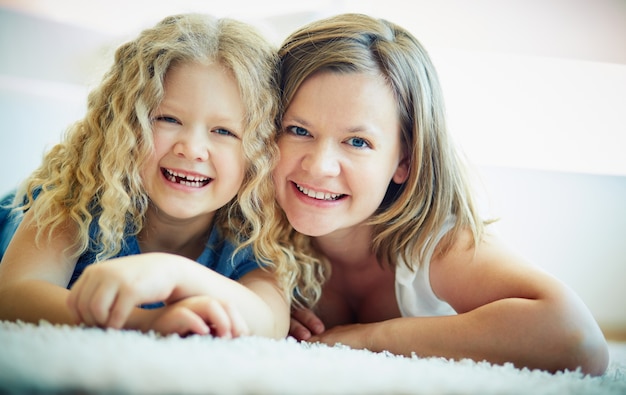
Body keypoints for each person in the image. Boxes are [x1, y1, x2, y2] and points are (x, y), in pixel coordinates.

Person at [273, 13, 609, 375]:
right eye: (298, 130)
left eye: (358, 141)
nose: (320, 166)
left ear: (404, 160)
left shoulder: (434, 244)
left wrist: (370, 338)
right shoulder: (251, 232)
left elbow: (579, 341)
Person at [0, 13, 303, 339]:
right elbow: (14, 295)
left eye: (224, 131)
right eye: (168, 119)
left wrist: (174, 273)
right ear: (126, 126)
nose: (192, 149)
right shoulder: (78, 194)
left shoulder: (252, 235)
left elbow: (269, 322)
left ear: (260, 154)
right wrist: (144, 324)